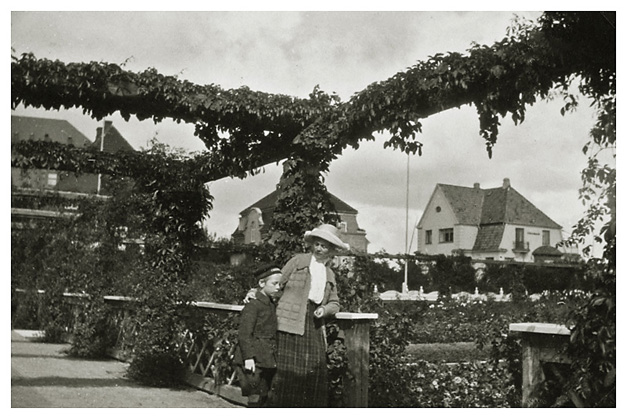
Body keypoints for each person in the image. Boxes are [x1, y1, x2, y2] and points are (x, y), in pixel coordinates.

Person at [245, 223, 350, 407]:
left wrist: (324, 310)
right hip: (289, 323)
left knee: (314, 371)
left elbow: (335, 303)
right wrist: (255, 292)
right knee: (286, 373)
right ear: (312, 244)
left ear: (331, 250)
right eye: (317, 244)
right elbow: (277, 283)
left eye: (324, 246)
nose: (319, 248)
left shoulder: (329, 274)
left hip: (314, 324)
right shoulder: (298, 261)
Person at [233, 265, 282, 407]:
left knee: (264, 394)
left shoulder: (271, 303)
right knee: (254, 395)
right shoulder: (253, 305)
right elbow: (244, 333)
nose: (278, 287)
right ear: (261, 283)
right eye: (274, 283)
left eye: (280, 284)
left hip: (267, 357)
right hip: (253, 358)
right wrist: (248, 357)